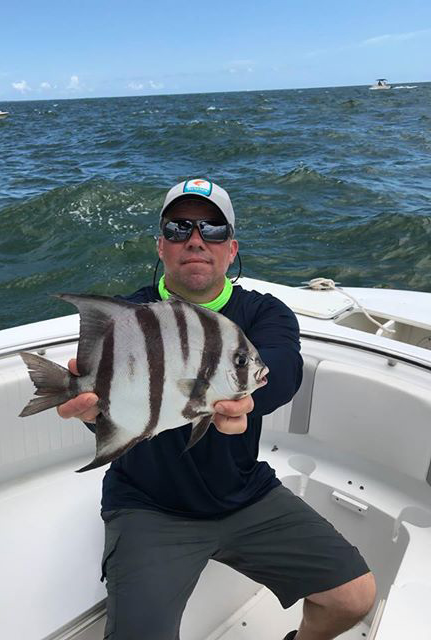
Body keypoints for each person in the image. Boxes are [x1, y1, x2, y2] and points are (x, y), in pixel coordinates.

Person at [58, 179, 376, 640]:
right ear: (161, 247)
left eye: (212, 229)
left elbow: (282, 371)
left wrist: (247, 399)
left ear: (231, 248)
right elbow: (123, 402)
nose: (195, 239)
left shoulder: (265, 312)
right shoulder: (131, 315)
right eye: (178, 227)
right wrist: (96, 415)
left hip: (243, 494)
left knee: (354, 598)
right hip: (149, 506)